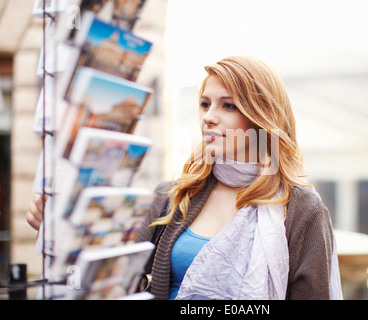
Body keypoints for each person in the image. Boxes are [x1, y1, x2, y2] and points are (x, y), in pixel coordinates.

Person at [26, 55, 342, 300]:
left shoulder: (302, 210)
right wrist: (62, 233)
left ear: (262, 116)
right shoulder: (171, 197)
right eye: (205, 104)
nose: (208, 116)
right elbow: (113, 278)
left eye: (228, 105)